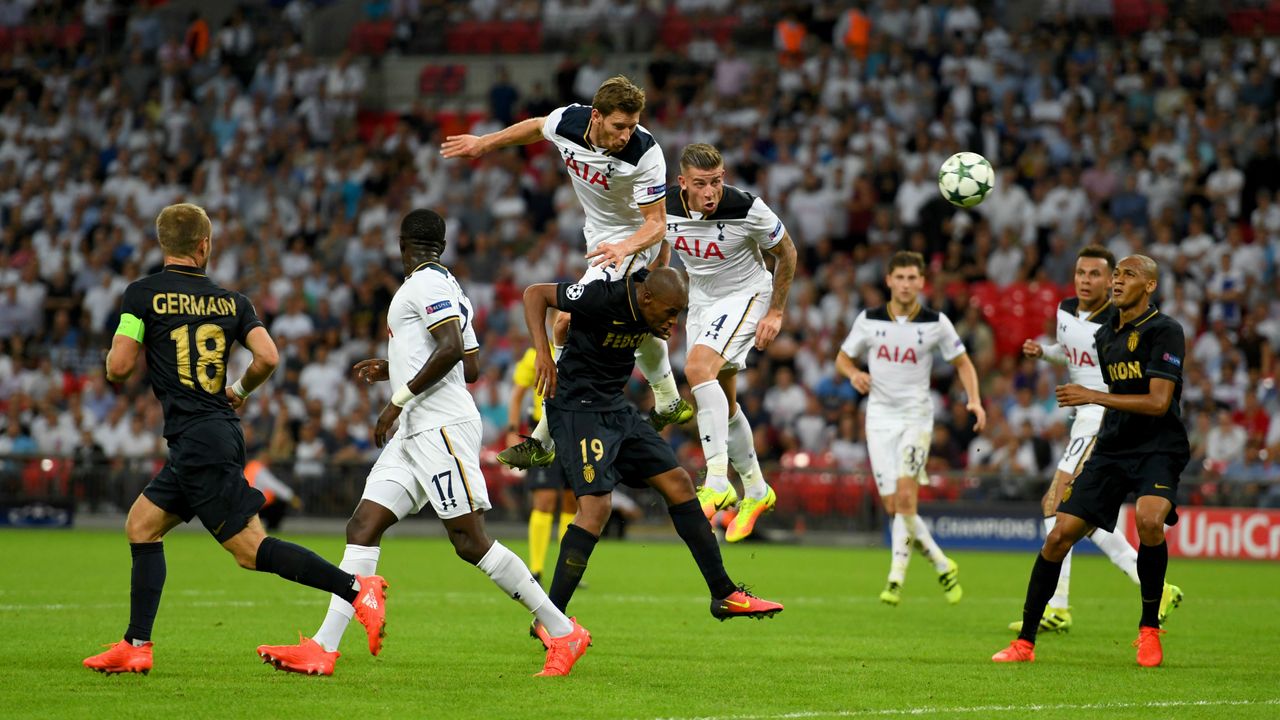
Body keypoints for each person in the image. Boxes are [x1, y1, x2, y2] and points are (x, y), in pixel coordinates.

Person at [255, 210, 589, 678]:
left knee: (470, 542)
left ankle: (562, 629)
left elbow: (450, 349)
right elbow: (468, 366)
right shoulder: (450, 286)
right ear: (442, 245)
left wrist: (396, 398)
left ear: (400, 244)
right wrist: (395, 366)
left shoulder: (424, 286)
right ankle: (323, 647)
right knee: (362, 526)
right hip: (417, 430)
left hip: (440, 427)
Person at [83, 203, 387, 675]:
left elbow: (119, 368)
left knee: (250, 551)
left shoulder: (142, 295)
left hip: (197, 439)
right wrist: (240, 390)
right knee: (141, 525)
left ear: (164, 244)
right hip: (210, 433)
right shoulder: (231, 301)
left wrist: (119, 351)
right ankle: (136, 644)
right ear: (204, 245)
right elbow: (267, 355)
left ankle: (356, 589)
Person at [441, 75, 692, 469]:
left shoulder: (645, 153)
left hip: (632, 242)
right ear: (596, 116)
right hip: (601, 242)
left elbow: (657, 224)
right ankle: (669, 399)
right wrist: (483, 143)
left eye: (632, 125)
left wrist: (625, 248)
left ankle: (543, 437)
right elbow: (537, 126)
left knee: (564, 325)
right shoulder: (569, 122)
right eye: (618, 126)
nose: (627, 134)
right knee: (636, 324)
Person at [521, 266, 783, 635]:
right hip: (577, 410)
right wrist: (544, 353)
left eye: (679, 313)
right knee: (596, 508)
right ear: (646, 298)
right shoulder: (602, 296)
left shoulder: (651, 302)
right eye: (669, 312)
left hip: (614, 408)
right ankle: (550, 620)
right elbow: (535, 292)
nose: (673, 321)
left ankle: (723, 593)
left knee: (678, 482)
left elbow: (659, 252)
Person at [994, 255, 1190, 668]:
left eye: (1128, 275)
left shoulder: (1166, 331)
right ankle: (1025, 642)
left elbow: (1157, 402)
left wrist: (1092, 396)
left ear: (1150, 285)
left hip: (1157, 445)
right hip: (1114, 446)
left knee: (1150, 519)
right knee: (1058, 534)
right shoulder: (1106, 337)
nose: (1118, 281)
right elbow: (1091, 373)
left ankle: (1149, 629)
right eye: (1115, 274)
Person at [835, 251, 986, 606]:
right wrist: (854, 373)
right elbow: (842, 357)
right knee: (893, 507)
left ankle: (895, 579)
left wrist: (975, 400)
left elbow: (963, 363)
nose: (905, 284)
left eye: (912, 278)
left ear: (922, 282)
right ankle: (941, 561)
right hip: (878, 419)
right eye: (899, 277)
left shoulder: (936, 322)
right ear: (889, 281)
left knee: (906, 498)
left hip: (916, 418)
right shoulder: (869, 319)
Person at [664, 143, 798, 542]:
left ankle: (719, 479)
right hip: (702, 300)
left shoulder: (746, 207)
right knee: (725, 399)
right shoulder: (663, 205)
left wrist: (775, 312)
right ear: (682, 183)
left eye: (717, 182)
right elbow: (657, 247)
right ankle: (757, 490)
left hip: (747, 295)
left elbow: (786, 253)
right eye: (701, 184)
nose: (711, 192)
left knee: (696, 371)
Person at [507, 345, 577, 582]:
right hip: (544, 431)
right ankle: (536, 569)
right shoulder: (535, 353)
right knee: (544, 500)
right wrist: (513, 430)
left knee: (572, 503)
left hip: (576, 432)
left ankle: (566, 568)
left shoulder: (581, 346)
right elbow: (517, 394)